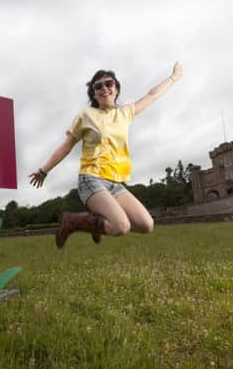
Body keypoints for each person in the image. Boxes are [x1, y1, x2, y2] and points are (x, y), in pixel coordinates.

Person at [29, 62, 183, 248]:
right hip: (91, 178)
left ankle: (96, 225)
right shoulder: (86, 116)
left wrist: (173, 78)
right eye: (98, 86)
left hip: (114, 183)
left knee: (146, 224)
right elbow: (66, 147)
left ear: (116, 89)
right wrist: (44, 170)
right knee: (121, 226)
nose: (104, 88)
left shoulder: (125, 113)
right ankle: (73, 221)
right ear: (94, 94)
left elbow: (152, 95)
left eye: (109, 83)